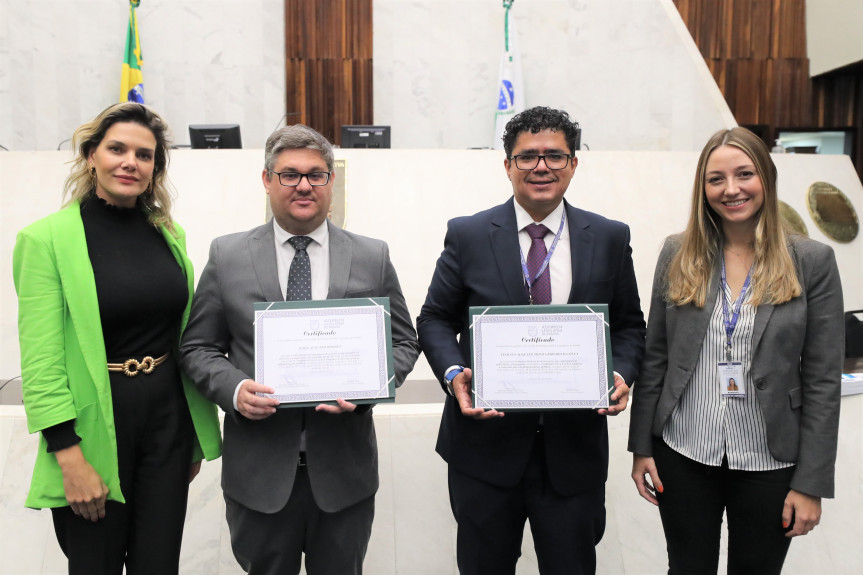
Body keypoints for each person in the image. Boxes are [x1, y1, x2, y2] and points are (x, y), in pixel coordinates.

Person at [178, 124, 420, 575]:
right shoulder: (227, 255)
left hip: (345, 475)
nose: (304, 185)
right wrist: (234, 390)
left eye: (316, 174)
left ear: (332, 181)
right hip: (259, 475)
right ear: (267, 180)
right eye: (289, 174)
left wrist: (370, 386)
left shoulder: (372, 255)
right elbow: (198, 346)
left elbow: (404, 340)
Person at [416, 106, 646, 574]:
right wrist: (455, 373)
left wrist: (619, 373)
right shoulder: (469, 234)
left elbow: (629, 326)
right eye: (527, 157)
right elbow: (435, 318)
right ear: (507, 165)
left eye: (555, 156)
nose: (541, 167)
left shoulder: (607, 236)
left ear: (574, 164)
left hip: (573, 453)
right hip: (484, 450)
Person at [12, 102, 222, 575]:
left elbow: (179, 333)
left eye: (145, 155)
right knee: (95, 566)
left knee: (158, 565)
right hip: (91, 436)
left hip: (168, 426)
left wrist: (190, 437)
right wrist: (69, 457)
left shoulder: (168, 234)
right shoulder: (44, 241)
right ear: (90, 156)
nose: (131, 162)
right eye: (117, 149)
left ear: (155, 169)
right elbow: (41, 363)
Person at [628, 127, 843, 574]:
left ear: (765, 176)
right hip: (684, 450)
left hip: (770, 456)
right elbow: (656, 356)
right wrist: (641, 447)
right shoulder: (677, 253)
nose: (731, 190)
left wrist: (812, 483)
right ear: (702, 188)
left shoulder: (812, 261)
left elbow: (823, 380)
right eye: (716, 179)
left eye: (744, 174)